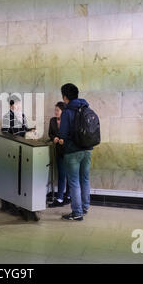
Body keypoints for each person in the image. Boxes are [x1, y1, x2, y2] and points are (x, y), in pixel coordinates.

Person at [58, 83, 93, 221]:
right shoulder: (85, 108)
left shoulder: (67, 112)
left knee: (73, 182)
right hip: (87, 150)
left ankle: (77, 212)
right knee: (84, 179)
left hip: (73, 151)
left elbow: (63, 134)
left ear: (64, 96)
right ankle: (85, 207)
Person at [48, 101, 71, 207]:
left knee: (69, 175)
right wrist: (54, 138)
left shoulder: (68, 121)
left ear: (63, 111)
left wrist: (64, 140)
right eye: (55, 110)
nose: (56, 112)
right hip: (59, 152)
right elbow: (50, 133)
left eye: (58, 110)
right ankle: (60, 199)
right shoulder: (52, 121)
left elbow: (72, 135)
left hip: (69, 152)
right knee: (62, 175)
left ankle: (68, 196)